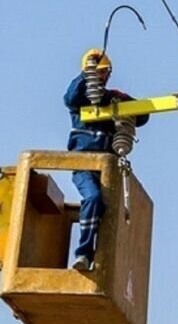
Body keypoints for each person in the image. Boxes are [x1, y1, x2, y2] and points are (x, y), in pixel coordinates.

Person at [64, 48, 150, 271]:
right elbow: (70, 96)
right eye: (98, 73)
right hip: (83, 163)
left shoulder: (112, 99)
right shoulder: (80, 100)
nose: (101, 76)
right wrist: (87, 76)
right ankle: (83, 254)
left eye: (104, 72)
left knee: (109, 210)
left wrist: (122, 102)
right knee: (92, 199)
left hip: (107, 167)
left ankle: (104, 262)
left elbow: (142, 115)